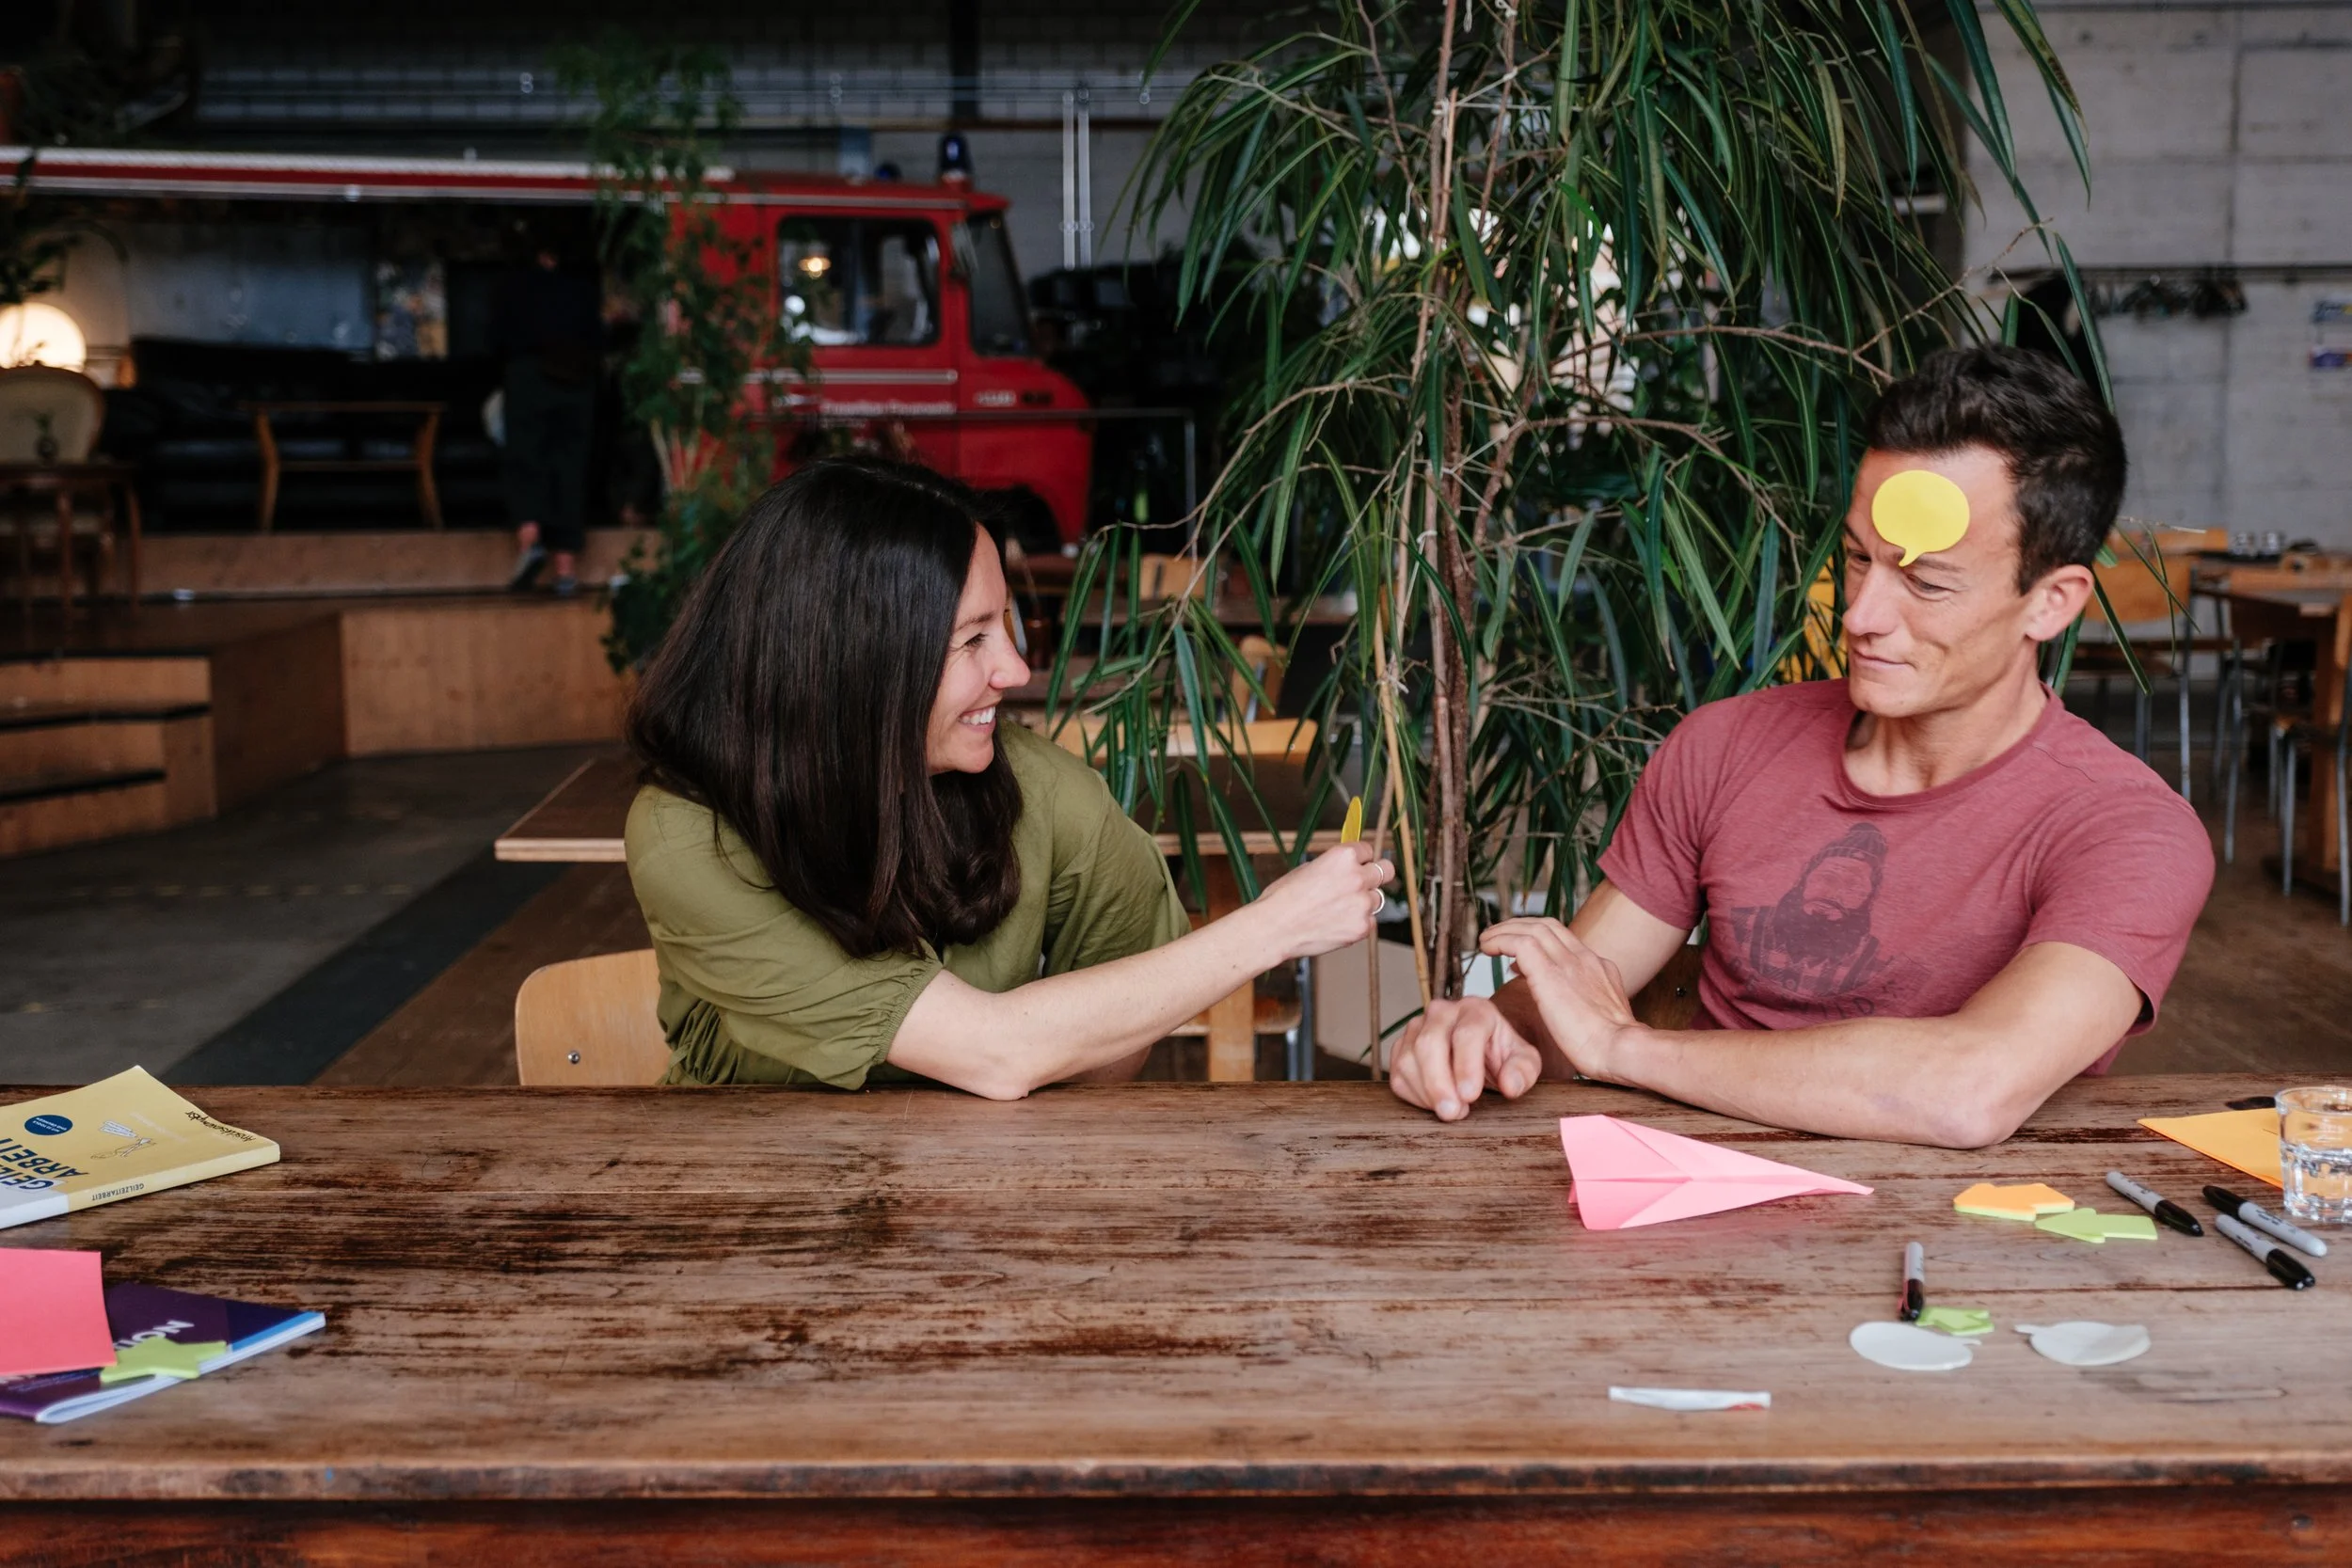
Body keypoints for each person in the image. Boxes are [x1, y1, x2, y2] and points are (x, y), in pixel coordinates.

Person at [1388, 345, 2215, 1148]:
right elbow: (1571, 1005)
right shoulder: (1725, 747)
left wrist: (1624, 1048)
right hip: (1680, 1207)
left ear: (2052, 602)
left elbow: (1970, 1091)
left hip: (1961, 1228)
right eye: (1857, 558)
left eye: (1926, 582)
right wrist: (1482, 1034)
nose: (1861, 615)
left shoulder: (2129, 830)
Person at [625, 457, 1391, 1095]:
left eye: (1008, 625)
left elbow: (1113, 1057)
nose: (1017, 670)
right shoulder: (689, 837)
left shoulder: (1042, 791)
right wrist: (1274, 925)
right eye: (972, 640)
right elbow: (995, 1050)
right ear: (857, 665)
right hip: (745, 1192)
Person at [496, 248, 602, 595]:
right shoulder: (584, 284)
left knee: (526, 459)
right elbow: (597, 336)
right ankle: (565, 569)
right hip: (576, 378)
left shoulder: (516, 283)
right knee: (570, 469)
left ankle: (530, 543)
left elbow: (496, 336)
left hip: (529, 375)